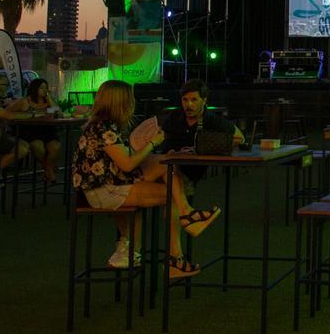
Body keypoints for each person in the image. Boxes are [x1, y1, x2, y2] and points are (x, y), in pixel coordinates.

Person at [71, 80, 220, 278]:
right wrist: (152, 142)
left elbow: (122, 160)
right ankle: (172, 251)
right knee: (173, 191)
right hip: (104, 190)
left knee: (166, 163)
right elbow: (128, 164)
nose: (133, 103)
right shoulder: (104, 128)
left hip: (109, 182)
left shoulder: (102, 125)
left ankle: (180, 222)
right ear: (122, 102)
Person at [159, 79, 244, 188]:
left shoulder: (212, 120)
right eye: (185, 100)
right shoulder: (174, 117)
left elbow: (239, 138)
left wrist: (212, 147)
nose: (188, 105)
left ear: (204, 100)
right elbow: (160, 139)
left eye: (194, 100)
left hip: (187, 174)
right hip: (166, 167)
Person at [8, 79, 62, 183]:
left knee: (55, 147)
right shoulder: (25, 102)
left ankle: (48, 168)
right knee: (38, 147)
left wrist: (49, 99)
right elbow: (7, 112)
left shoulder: (47, 105)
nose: (44, 90)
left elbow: (59, 113)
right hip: (30, 132)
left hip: (47, 131)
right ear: (34, 89)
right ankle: (49, 170)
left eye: (46, 88)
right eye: (41, 88)